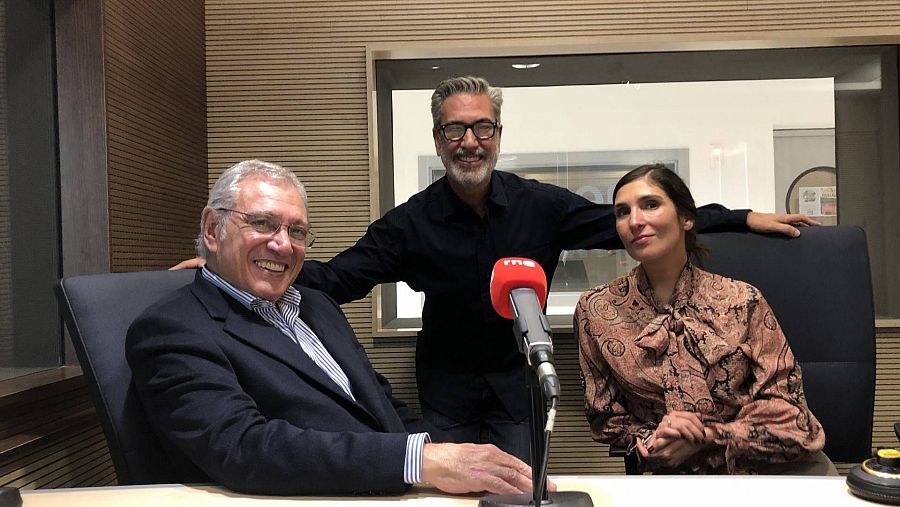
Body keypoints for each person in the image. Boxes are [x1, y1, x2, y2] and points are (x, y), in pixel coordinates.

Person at [173, 76, 816, 463]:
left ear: (498, 134)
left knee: (517, 489)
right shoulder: (410, 223)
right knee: (450, 487)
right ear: (438, 140)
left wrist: (738, 215)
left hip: (518, 384)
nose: (469, 142)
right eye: (455, 131)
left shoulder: (542, 205)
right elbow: (335, 279)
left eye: (482, 128)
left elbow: (635, 221)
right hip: (446, 389)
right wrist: (221, 272)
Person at [126, 159, 540, 496]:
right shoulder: (172, 329)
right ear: (212, 230)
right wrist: (421, 462)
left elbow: (381, 405)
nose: (283, 244)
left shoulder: (317, 306)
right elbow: (243, 448)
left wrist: (455, 456)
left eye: (298, 231)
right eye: (264, 223)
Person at [575, 163, 830, 474]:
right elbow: (606, 417)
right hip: (668, 476)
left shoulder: (742, 300)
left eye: (650, 205)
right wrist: (650, 440)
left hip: (763, 472)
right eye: (622, 212)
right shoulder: (597, 309)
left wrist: (710, 435)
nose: (635, 221)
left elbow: (793, 417)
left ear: (686, 218)